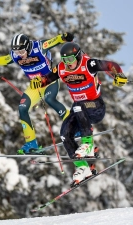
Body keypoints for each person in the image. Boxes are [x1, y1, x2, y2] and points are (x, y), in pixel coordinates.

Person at [29, 42, 127, 186]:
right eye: (65, 60)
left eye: (70, 59)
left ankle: (88, 144)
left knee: (79, 105)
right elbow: (48, 78)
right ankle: (83, 167)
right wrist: (39, 81)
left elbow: (111, 65)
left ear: (78, 56)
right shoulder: (62, 68)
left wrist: (119, 75)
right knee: (65, 134)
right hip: (79, 110)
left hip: (95, 107)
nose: (68, 63)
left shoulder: (89, 64)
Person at [0, 33, 74, 154]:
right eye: (16, 52)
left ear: (27, 47)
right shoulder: (15, 55)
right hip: (35, 86)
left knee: (50, 100)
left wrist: (64, 37)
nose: (20, 54)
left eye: (21, 51)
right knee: (22, 108)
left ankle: (73, 126)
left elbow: (54, 41)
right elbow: (4, 59)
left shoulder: (39, 47)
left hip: (49, 81)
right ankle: (31, 143)